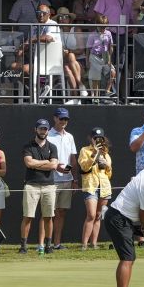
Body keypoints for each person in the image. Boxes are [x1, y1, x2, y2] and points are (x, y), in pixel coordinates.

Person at [20, 118, 59, 255]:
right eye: (41, 128)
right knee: (28, 216)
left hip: (49, 186)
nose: (43, 131)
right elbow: (28, 163)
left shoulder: (52, 147)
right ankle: (23, 247)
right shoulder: (28, 146)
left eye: (45, 129)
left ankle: (48, 246)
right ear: (35, 129)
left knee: (48, 217)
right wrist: (46, 163)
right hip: (31, 185)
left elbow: (54, 165)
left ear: (48, 131)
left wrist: (37, 163)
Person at [47, 107, 79, 250]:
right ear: (55, 118)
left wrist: (75, 179)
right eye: (61, 118)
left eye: (66, 119)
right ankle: (46, 244)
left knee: (61, 212)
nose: (64, 121)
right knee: (49, 213)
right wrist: (54, 166)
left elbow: (73, 159)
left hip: (67, 179)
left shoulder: (70, 136)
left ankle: (57, 243)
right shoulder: (47, 135)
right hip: (51, 180)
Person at [78, 127, 113, 251]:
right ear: (91, 138)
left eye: (100, 138)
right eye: (95, 138)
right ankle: (84, 244)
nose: (97, 140)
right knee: (91, 215)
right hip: (91, 186)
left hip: (104, 187)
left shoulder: (106, 153)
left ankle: (94, 244)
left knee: (98, 215)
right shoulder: (85, 150)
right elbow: (84, 166)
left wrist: (106, 166)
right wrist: (94, 155)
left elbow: (109, 174)